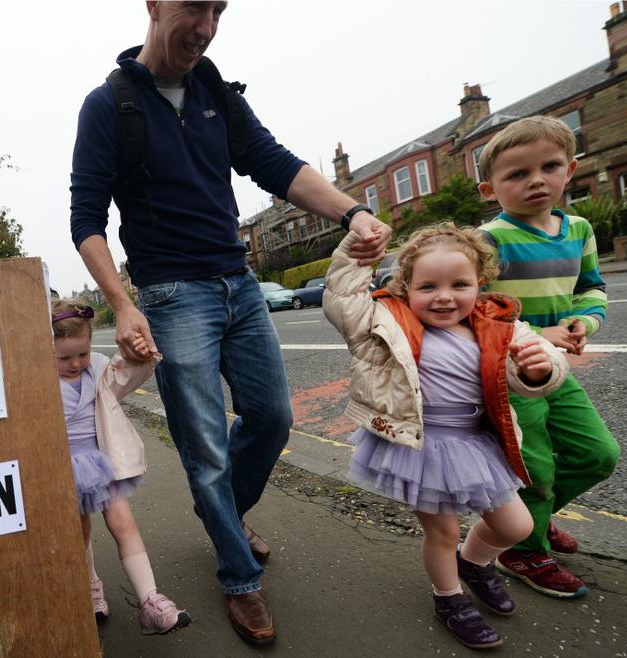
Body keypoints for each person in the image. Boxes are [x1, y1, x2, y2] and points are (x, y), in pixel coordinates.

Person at [69, 1, 391, 642]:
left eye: (218, 11)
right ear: (154, 5)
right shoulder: (109, 105)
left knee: (272, 418)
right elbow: (86, 218)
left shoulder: (216, 92)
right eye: (195, 7)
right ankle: (239, 576)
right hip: (171, 295)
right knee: (205, 449)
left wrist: (352, 212)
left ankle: (222, 515)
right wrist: (123, 303)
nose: (206, 27)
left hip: (239, 286)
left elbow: (275, 162)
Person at [323, 223, 569, 650]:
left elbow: (540, 363)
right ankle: (449, 598)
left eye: (459, 285)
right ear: (406, 287)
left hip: (476, 444)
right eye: (428, 286)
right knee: (443, 532)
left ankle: (474, 563)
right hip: (422, 446)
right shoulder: (384, 320)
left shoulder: (498, 324)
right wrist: (356, 250)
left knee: (517, 526)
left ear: (480, 284)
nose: (444, 296)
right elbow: (342, 298)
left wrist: (539, 369)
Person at [476, 115, 620, 598]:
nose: (536, 180)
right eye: (517, 173)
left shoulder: (578, 229)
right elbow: (473, 312)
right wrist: (541, 334)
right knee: (534, 467)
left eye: (550, 166)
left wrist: (584, 323)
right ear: (489, 190)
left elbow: (591, 287)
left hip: (552, 369)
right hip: (508, 374)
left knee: (598, 454)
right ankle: (522, 548)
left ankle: (531, 518)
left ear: (571, 169)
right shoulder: (489, 240)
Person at [52, 298, 191, 635]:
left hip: (102, 463)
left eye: (82, 353)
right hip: (61, 469)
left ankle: (150, 600)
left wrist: (140, 353)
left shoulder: (99, 371)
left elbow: (129, 374)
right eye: (64, 358)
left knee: (125, 525)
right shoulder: (36, 381)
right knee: (79, 532)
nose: (75, 363)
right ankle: (90, 586)